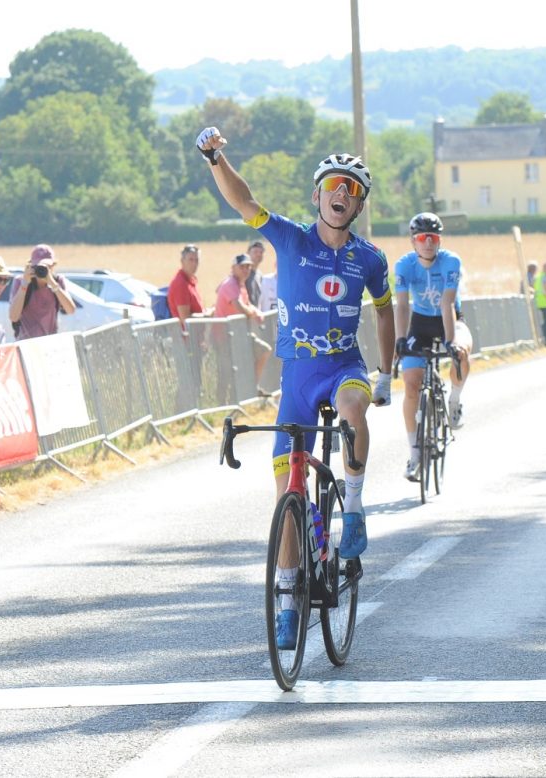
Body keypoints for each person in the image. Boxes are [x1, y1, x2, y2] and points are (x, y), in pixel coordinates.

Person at [197, 125, 396, 650]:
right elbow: (245, 202)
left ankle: (352, 511)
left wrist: (385, 371)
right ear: (317, 194)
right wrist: (216, 158)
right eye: (334, 184)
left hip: (342, 369)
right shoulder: (290, 237)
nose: (341, 194)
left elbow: (384, 312)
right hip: (297, 382)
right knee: (288, 496)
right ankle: (287, 599)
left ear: (358, 206)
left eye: (352, 190)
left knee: (355, 407)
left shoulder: (369, 259)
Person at [394, 212, 472, 481]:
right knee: (411, 384)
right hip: (421, 322)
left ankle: (454, 400)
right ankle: (415, 453)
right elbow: (402, 305)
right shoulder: (404, 265)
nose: (428, 243)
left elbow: (447, 303)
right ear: (413, 241)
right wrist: (401, 340)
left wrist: (451, 343)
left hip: (449, 318)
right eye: (422, 238)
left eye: (434, 238)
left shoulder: (451, 261)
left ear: (439, 240)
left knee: (461, 351)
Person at [216, 253, 272, 379]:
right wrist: (252, 313)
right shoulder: (231, 284)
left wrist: (256, 311)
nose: (246, 270)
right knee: (227, 374)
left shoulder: (240, 284)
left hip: (238, 335)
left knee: (263, 350)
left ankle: (252, 388)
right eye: (242, 267)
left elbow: (247, 305)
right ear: (233, 268)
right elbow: (241, 307)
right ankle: (242, 393)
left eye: (248, 267)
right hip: (225, 337)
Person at [8, 244, 75, 340]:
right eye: (37, 266)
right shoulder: (21, 281)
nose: (41, 270)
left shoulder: (57, 281)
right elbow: (13, 317)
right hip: (26, 344)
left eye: (46, 267)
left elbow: (70, 310)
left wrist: (52, 284)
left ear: (53, 266)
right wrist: (24, 285)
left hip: (49, 343)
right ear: (31, 266)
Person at [168, 244, 209, 327]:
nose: (194, 264)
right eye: (191, 260)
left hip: (195, 336)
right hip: (186, 338)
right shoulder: (181, 284)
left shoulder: (190, 281)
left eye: (197, 260)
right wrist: (207, 315)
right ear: (182, 261)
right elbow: (185, 319)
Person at [245, 240, 268, 311]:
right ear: (248, 253)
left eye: (261, 252)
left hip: (256, 316)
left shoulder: (260, 274)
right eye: (255, 252)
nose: (258, 254)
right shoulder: (243, 273)